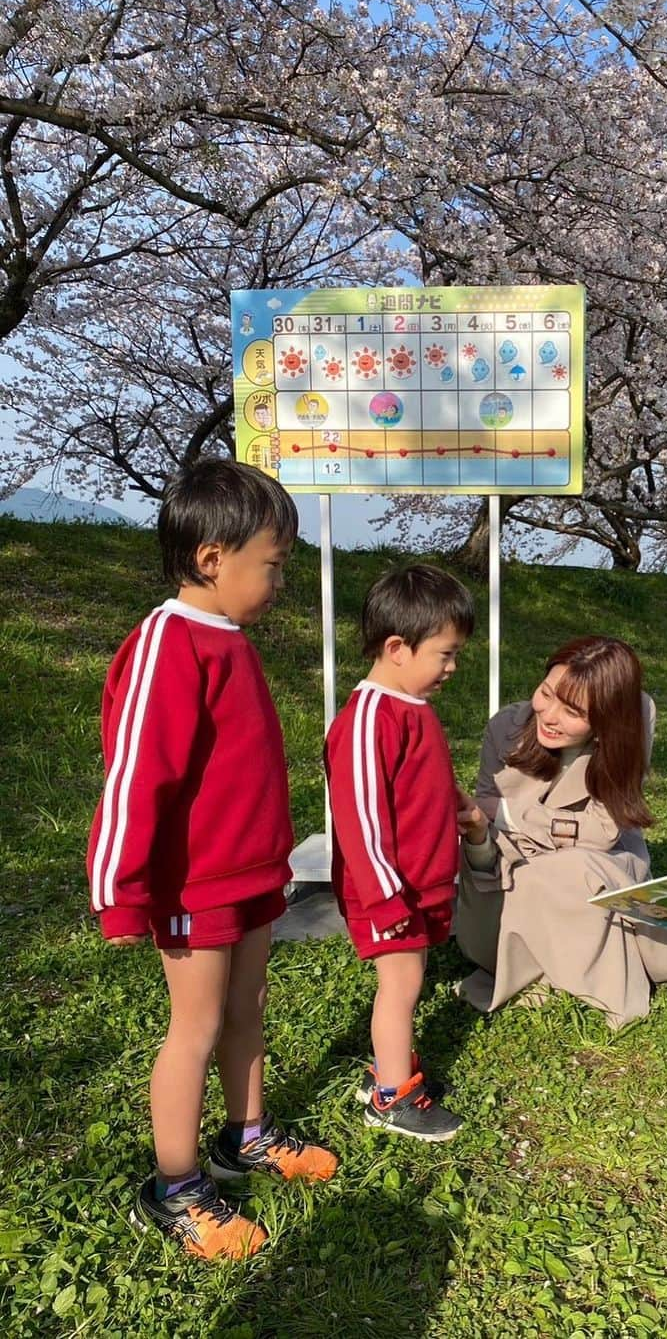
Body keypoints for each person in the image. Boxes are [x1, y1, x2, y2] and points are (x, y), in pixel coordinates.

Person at [87, 459, 338, 1262]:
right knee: (193, 1027)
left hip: (254, 877)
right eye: (273, 565)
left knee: (248, 1009)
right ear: (211, 558)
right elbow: (136, 773)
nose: (279, 582)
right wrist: (120, 892)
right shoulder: (169, 642)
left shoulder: (228, 640)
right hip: (194, 885)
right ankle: (177, 1185)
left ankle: (247, 1134)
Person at [455, 637, 667, 1029]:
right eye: (545, 693)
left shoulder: (633, 722)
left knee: (573, 868)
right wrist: (490, 829)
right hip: (511, 858)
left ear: (606, 719)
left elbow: (603, 832)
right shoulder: (506, 727)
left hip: (601, 860)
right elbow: (485, 816)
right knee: (514, 877)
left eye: (572, 711)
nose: (549, 715)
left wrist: (512, 816)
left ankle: (569, 970)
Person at [325, 564, 474, 1141]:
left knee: (409, 980)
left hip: (417, 884)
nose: (452, 667)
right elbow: (360, 820)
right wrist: (386, 898)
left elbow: (415, 786)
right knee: (403, 985)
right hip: (387, 892)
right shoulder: (368, 719)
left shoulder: (411, 707)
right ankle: (391, 1095)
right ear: (397, 648)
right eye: (445, 653)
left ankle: (388, 1074)